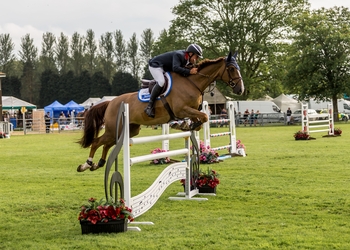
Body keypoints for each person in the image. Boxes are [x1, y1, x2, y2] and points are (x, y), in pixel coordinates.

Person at [144, 43, 203, 118]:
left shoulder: (187, 59)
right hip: (156, 66)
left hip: (165, 68)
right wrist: (189, 72)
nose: (197, 59)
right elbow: (175, 68)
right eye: (197, 56)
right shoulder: (179, 55)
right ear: (191, 54)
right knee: (161, 82)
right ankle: (149, 106)